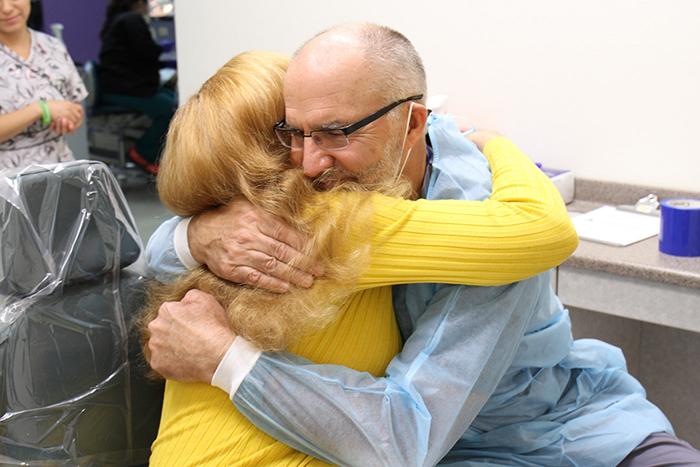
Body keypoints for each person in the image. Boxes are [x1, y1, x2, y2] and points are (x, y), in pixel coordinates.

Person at [146, 23, 700, 466]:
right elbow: (151, 256)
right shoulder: (319, 195)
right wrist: (195, 235)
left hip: (552, 431)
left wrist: (225, 358)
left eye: (338, 132)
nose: (310, 164)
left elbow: (404, 438)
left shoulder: (479, 227)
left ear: (413, 124)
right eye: (296, 134)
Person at [0, 0, 86, 170]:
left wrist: (70, 119)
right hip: (7, 182)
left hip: (59, 170)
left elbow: (75, 107)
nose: (6, 8)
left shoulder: (52, 46)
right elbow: (46, 107)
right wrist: (40, 109)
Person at [97, 0, 175, 175]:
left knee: (171, 98)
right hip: (124, 88)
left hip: (120, 86)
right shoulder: (131, 20)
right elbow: (147, 52)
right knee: (170, 109)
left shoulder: (117, 20)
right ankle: (142, 153)